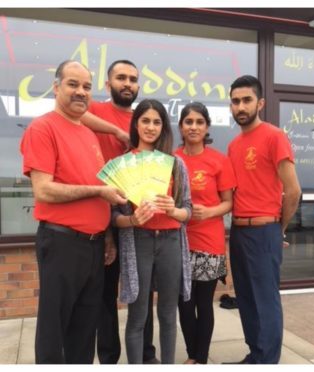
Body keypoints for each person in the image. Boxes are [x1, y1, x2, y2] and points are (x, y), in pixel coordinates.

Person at [19, 60, 127, 363]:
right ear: (56, 87)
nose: (81, 92)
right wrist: (98, 192)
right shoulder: (43, 128)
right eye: (73, 84)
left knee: (84, 327)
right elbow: (44, 190)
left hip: (93, 246)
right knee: (55, 329)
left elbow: (97, 189)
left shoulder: (87, 133)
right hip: (62, 243)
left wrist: (107, 235)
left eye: (86, 87)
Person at [82, 59, 159, 364]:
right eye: (121, 78)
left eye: (133, 79)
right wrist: (118, 130)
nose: (128, 83)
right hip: (103, 211)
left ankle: (146, 354)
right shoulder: (97, 110)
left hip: (141, 217)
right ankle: (110, 358)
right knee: (105, 295)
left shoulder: (143, 116)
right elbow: (75, 114)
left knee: (142, 293)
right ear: (108, 83)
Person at [225, 75, 301, 364]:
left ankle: (267, 361)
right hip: (239, 231)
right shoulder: (233, 145)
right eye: (235, 101)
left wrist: (277, 228)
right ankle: (255, 355)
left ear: (260, 103)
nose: (241, 106)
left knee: (265, 300)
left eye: (246, 100)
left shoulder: (273, 136)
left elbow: (293, 191)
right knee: (245, 297)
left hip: (264, 229)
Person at [111, 99, 192, 364]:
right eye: (145, 120)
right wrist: (133, 219)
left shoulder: (175, 164)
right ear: (135, 124)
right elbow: (113, 218)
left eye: (157, 121)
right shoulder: (122, 163)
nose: (151, 127)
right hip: (139, 241)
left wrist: (173, 210)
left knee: (169, 315)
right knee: (138, 316)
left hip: (170, 242)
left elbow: (187, 212)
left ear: (163, 127)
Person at [175, 102, 237, 364]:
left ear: (206, 127)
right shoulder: (171, 159)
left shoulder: (218, 160)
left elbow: (229, 202)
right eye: (188, 122)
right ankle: (192, 354)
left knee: (203, 303)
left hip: (209, 243)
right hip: (178, 243)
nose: (193, 127)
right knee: (184, 304)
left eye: (199, 122)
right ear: (181, 126)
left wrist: (209, 212)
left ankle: (199, 357)